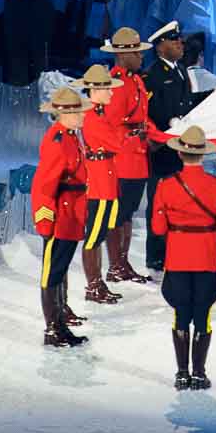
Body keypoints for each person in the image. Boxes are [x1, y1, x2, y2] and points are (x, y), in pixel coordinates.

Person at [151, 123, 216, 390]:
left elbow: (158, 228)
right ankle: (199, 373)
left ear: (179, 154)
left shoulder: (165, 186)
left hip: (177, 259)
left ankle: (181, 373)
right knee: (203, 316)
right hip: (208, 259)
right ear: (204, 155)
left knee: (180, 315)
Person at [143, 19, 207, 271]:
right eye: (173, 40)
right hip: (161, 150)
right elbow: (146, 110)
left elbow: (185, 102)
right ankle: (156, 255)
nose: (180, 43)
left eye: (179, 39)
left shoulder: (180, 69)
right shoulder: (152, 75)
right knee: (159, 203)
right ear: (160, 47)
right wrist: (164, 128)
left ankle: (175, 249)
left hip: (179, 149)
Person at [101, 25, 162, 282]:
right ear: (122, 54)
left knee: (128, 214)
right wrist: (138, 132)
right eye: (136, 52)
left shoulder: (136, 80)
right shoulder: (114, 83)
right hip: (123, 158)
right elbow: (112, 123)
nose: (141, 56)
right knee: (119, 214)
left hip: (138, 158)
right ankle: (115, 266)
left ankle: (123, 263)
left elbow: (143, 118)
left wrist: (160, 136)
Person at [31, 85, 90, 348]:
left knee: (61, 269)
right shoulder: (57, 140)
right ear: (64, 114)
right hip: (60, 215)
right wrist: (45, 221)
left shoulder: (69, 136)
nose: (83, 116)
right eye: (78, 112)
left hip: (71, 212)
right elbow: (44, 186)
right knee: (51, 273)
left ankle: (60, 325)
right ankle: (52, 329)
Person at [73, 63, 125, 305]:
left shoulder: (99, 114)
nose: (112, 93)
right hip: (98, 182)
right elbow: (115, 143)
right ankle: (93, 285)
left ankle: (97, 282)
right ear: (96, 89)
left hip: (106, 177)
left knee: (100, 233)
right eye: (108, 89)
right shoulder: (92, 117)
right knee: (93, 236)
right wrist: (123, 134)